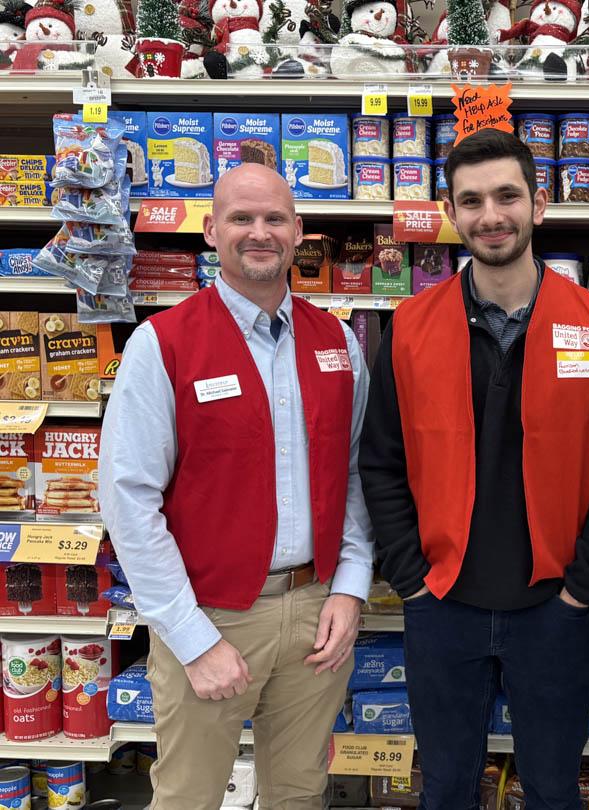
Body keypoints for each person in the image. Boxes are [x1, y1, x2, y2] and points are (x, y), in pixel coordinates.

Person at [359, 128, 589, 810]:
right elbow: (381, 463)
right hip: (442, 605)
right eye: (473, 200)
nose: (492, 215)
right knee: (448, 788)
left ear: (539, 205)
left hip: (554, 608)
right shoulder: (410, 326)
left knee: (551, 789)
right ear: (451, 214)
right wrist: (413, 582)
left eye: (507, 195)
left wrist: (582, 584)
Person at [100, 163, 374, 809]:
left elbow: (356, 473)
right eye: (241, 218)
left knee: (300, 792)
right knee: (189, 796)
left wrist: (351, 588)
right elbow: (128, 499)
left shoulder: (334, 340)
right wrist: (192, 640)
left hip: (316, 612)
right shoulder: (161, 343)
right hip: (210, 612)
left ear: (299, 231)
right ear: (210, 231)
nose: (259, 233)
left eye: (274, 218)